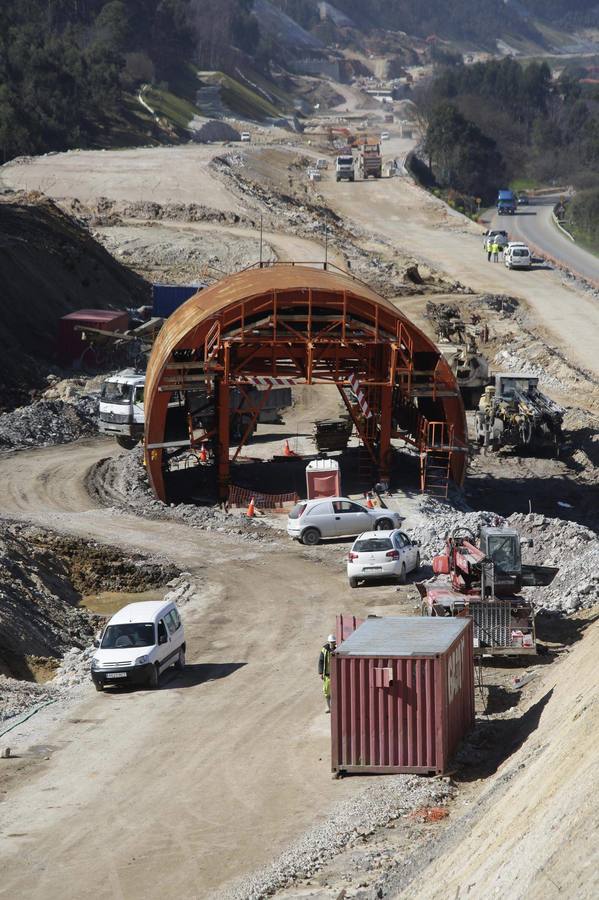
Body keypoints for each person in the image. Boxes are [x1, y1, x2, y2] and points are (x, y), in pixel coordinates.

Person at [318, 634, 336, 713]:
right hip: (327, 675)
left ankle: (334, 707)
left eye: (333, 642)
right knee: (327, 692)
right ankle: (329, 708)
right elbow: (321, 661)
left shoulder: (337, 649)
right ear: (328, 642)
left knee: (335, 692)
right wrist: (321, 672)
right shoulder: (324, 649)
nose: (332, 643)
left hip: (336, 675)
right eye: (331, 642)